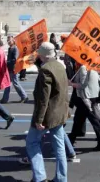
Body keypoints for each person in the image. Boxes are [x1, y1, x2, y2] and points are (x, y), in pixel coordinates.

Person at [26, 42, 69, 182]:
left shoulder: (45, 70)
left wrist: (39, 120)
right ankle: (61, 178)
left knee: (32, 142)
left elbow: (43, 99)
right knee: (59, 147)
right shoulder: (60, 65)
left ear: (43, 55)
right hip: (60, 113)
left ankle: (39, 177)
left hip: (48, 115)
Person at [68, 64, 100, 151]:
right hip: (91, 96)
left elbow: (82, 85)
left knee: (94, 121)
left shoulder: (83, 68)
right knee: (78, 119)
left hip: (85, 98)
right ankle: (71, 140)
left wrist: (71, 83)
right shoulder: (92, 66)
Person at [1, 35, 28, 103]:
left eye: (9, 40)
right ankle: (5, 99)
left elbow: (15, 59)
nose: (8, 42)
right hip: (10, 68)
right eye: (8, 40)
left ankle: (24, 96)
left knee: (15, 83)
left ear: (13, 40)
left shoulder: (15, 48)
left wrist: (7, 62)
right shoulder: (10, 48)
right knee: (8, 83)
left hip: (14, 68)